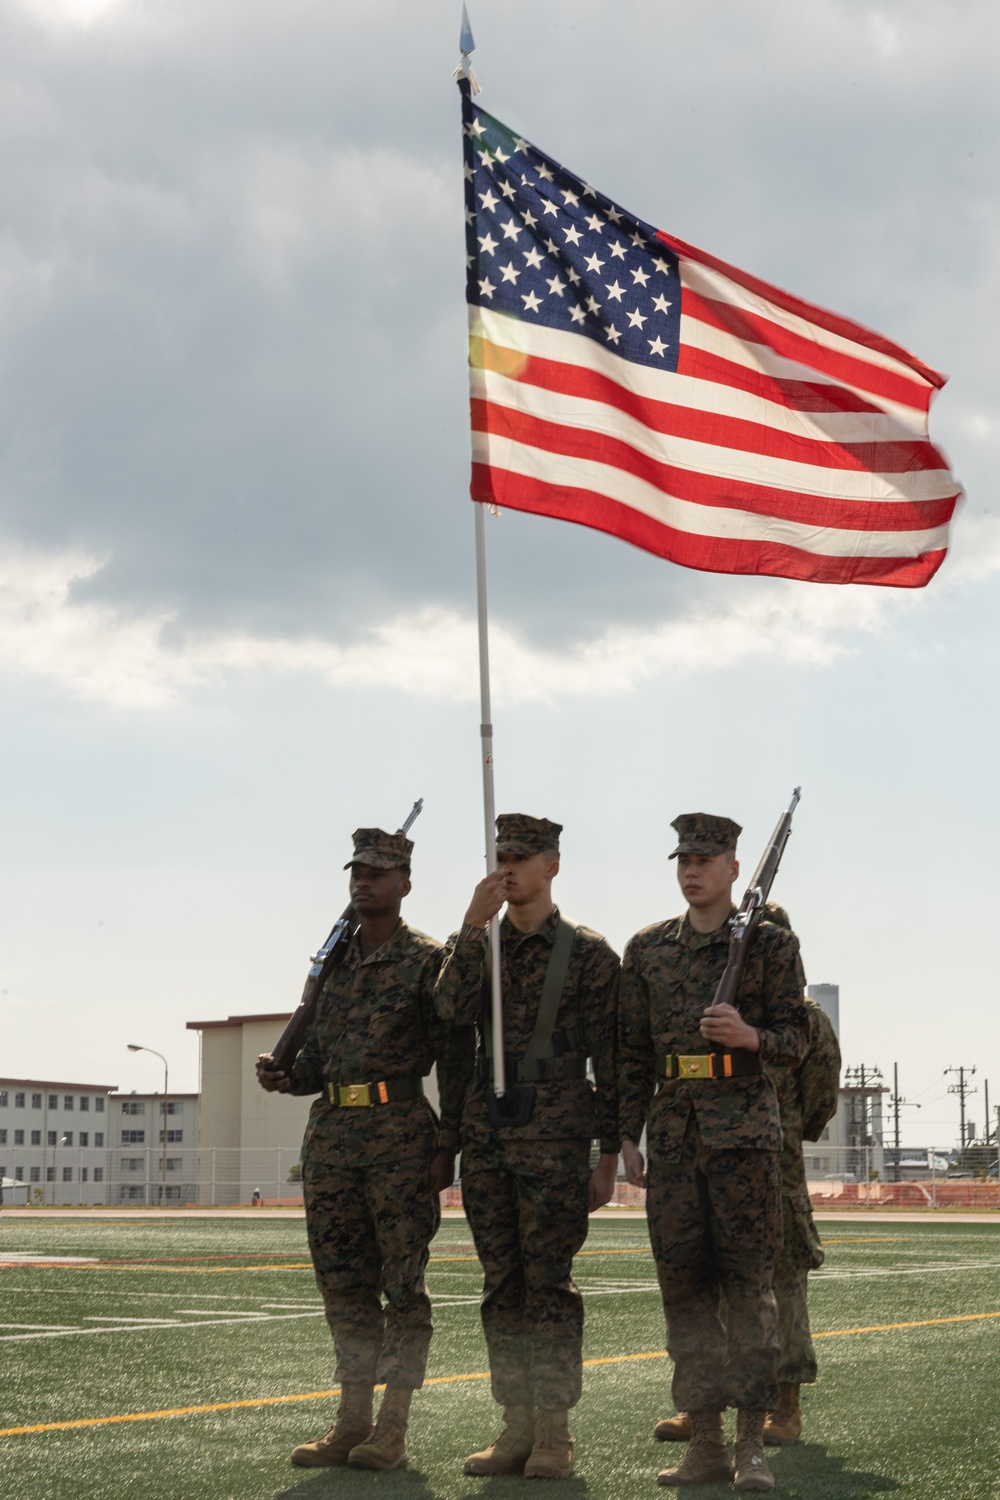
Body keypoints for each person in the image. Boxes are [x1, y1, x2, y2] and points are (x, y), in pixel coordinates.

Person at [256, 827, 470, 1472]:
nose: (363, 881)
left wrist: (448, 1141)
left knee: (402, 1285)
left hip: (400, 1134)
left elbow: (456, 1055)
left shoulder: (427, 959)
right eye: (357, 871)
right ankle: (350, 1421)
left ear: (404, 884)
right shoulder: (332, 964)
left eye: (378, 873)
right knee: (343, 1285)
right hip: (332, 1138)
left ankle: (392, 1428)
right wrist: (285, 1074)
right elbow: (318, 1062)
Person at [617, 814, 810, 1492]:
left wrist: (751, 1035)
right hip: (672, 1136)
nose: (691, 870)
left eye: (705, 858)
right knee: (685, 1295)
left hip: (745, 1139)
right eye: (683, 859)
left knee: (750, 1292)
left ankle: (751, 1443)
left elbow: (799, 1038)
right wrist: (624, 1136)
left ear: (734, 867)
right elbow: (632, 1052)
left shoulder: (771, 946)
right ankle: (703, 1441)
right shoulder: (646, 949)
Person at [434, 813, 620, 1481]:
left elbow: (613, 1059)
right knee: (500, 1286)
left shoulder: (591, 954)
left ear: (552, 866)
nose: (507, 866)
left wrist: (609, 1154)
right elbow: (448, 1018)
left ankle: (554, 1431)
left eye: (522, 856)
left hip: (557, 1135)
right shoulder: (478, 947)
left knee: (550, 1287)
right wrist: (466, 926)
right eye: (500, 855)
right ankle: (514, 1424)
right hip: (488, 1136)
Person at [653, 906, 841, 1450]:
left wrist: (785, 1130)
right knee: (707, 1281)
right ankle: (704, 1405)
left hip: (775, 1166)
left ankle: (785, 1406)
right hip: (714, 1159)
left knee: (780, 1285)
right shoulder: (713, 1005)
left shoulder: (802, 1018)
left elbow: (821, 1096)